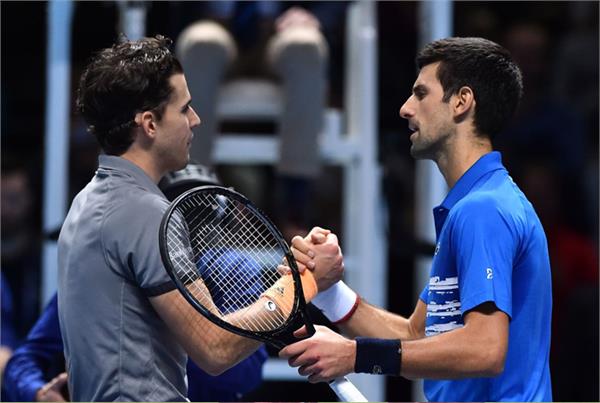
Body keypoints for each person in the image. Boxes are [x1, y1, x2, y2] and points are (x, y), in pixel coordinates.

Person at [58, 35, 339, 401]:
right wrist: (305, 283)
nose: (196, 120)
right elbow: (215, 346)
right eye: (184, 109)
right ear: (149, 124)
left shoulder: (86, 202)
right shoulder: (144, 212)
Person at [280, 37, 553, 402]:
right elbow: (417, 338)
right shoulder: (476, 205)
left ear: (462, 102)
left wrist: (353, 355)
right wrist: (329, 291)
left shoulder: (483, 211)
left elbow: (485, 348)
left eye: (421, 94)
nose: (406, 109)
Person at [3, 164, 268, 402]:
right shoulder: (102, 271)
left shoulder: (234, 269)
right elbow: (24, 362)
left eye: (197, 217)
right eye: (174, 212)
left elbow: (244, 376)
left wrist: (174, 315)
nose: (188, 230)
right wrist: (38, 393)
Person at [175, 2, 346, 232]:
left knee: (305, 43)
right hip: (213, 24)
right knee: (201, 42)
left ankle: (295, 208)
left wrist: (316, 15)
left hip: (280, 28)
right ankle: (191, 200)